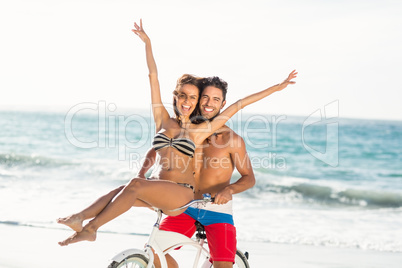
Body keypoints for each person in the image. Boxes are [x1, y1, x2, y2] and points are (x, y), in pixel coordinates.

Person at [57, 19, 297, 246]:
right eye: (183, 95)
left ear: (196, 101)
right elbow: (153, 77)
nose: (187, 101)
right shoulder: (162, 119)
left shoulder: (200, 130)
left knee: (133, 185)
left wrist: (279, 87)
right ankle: (79, 218)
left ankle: (91, 229)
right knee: (119, 192)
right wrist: (148, 44)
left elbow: (240, 104)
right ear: (176, 96)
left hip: (182, 195)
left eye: (193, 97)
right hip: (158, 189)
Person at [140, 76, 256, 268]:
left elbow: (249, 177)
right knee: (153, 251)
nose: (209, 103)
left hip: (217, 211)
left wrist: (229, 190)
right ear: (198, 98)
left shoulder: (232, 140)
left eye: (216, 99)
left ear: (223, 104)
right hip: (185, 205)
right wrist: (144, 173)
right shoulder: (185, 129)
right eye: (205, 97)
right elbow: (157, 149)